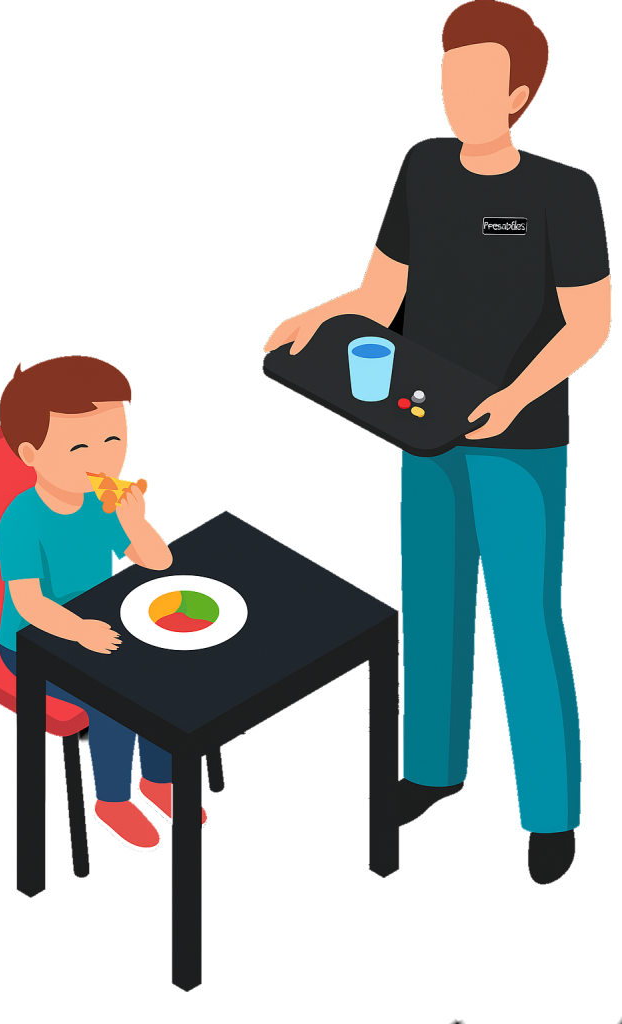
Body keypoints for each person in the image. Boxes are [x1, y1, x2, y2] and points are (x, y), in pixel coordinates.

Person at [261, 1, 610, 884]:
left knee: (524, 624)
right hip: (421, 430)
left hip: (521, 442)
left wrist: (513, 394)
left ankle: (550, 814)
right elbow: (378, 297)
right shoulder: (421, 168)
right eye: (449, 78)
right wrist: (311, 318)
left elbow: (590, 324)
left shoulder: (562, 191)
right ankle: (432, 772)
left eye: (478, 82)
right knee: (433, 606)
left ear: (520, 94)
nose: (457, 96)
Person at [0, 355, 208, 855]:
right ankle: (111, 801)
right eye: (80, 446)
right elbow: (28, 603)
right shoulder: (21, 519)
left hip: (102, 623)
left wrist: (135, 521)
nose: (103, 458)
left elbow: (158, 561)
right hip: (31, 642)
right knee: (115, 700)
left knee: (164, 672)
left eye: (115, 440)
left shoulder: (101, 501)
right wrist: (78, 631)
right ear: (31, 453)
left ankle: (157, 780)